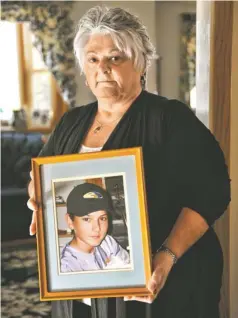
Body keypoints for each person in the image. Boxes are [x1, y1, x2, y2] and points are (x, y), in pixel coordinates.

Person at [27, 6, 230, 318]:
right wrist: (38, 200)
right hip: (79, 284)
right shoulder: (71, 122)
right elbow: (42, 175)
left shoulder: (170, 119)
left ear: (140, 61)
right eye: (93, 59)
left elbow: (210, 193)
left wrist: (165, 257)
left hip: (160, 281)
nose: (102, 68)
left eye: (115, 57)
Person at [60, 182, 130, 272]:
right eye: (87, 219)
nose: (97, 228)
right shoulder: (67, 266)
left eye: (102, 218)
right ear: (70, 221)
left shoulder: (108, 242)